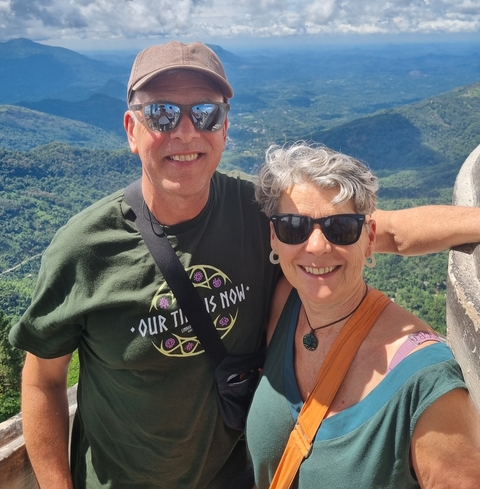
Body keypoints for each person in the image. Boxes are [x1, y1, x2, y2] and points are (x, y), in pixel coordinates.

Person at [8, 41, 480, 489]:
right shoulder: (85, 248)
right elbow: (43, 379)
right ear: (133, 131)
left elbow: (384, 231)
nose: (186, 131)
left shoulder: (266, 217)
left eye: (206, 113)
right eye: (162, 114)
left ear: (225, 129)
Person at [247, 143, 480, 489]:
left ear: (369, 239)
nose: (316, 246)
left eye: (340, 228)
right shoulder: (285, 305)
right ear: (274, 238)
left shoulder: (427, 386)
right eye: (293, 226)